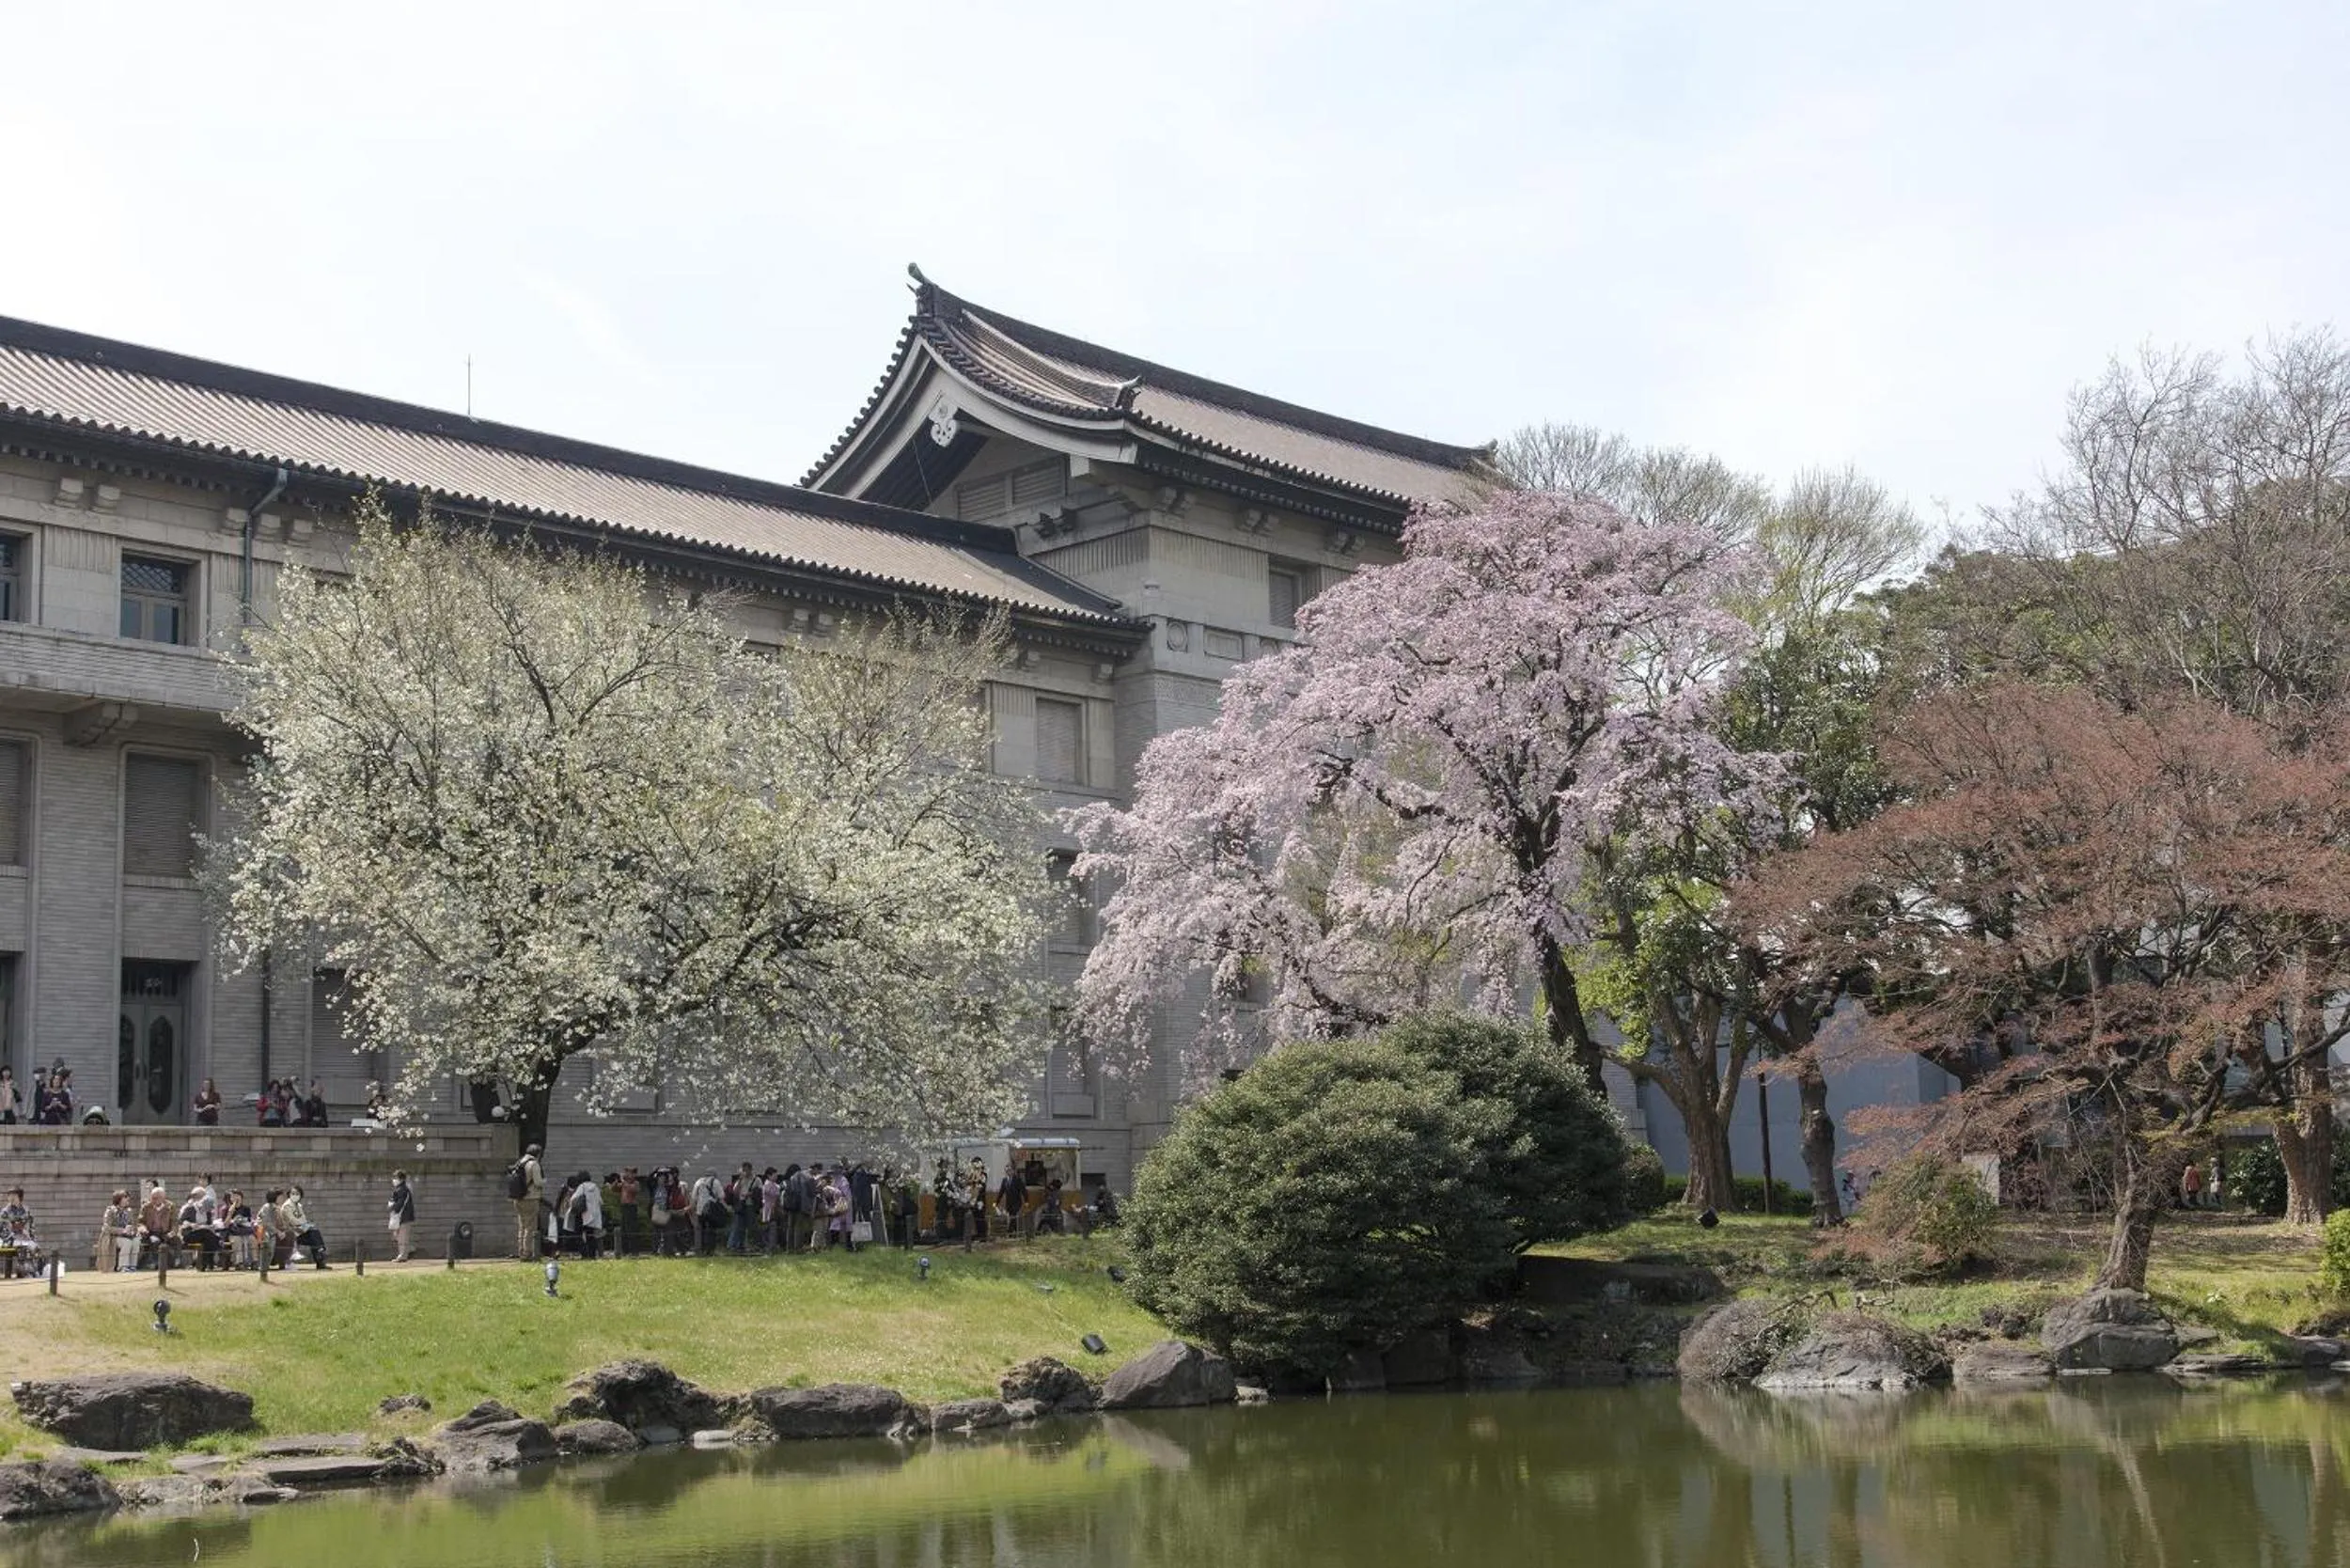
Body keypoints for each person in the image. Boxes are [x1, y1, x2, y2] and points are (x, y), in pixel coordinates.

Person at [283, 1184, 330, 1268]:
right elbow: (292, 1221)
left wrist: (306, 1225)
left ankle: (320, 1256)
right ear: (289, 1194)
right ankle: (321, 1255)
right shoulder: (287, 1206)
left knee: (314, 1233)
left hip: (300, 1230)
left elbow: (303, 1219)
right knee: (313, 1234)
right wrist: (306, 1226)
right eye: (293, 1193)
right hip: (291, 1231)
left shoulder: (298, 1206)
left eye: (297, 1194)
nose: (295, 1196)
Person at [511, 1142, 544, 1261]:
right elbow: (538, 1182)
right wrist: (544, 1181)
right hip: (530, 1198)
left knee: (522, 1226)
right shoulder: (533, 1164)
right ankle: (527, 1253)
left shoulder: (519, 1162)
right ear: (538, 1153)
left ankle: (521, 1251)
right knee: (530, 1227)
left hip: (517, 1198)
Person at [101, 1188, 138, 1271]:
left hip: (126, 1236)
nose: (127, 1199)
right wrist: (122, 1230)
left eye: (127, 1197)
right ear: (119, 1199)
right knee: (127, 1242)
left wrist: (131, 1231)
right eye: (125, 1197)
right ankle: (123, 1267)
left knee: (136, 1241)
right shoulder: (110, 1210)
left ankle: (132, 1266)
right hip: (112, 1237)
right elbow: (106, 1227)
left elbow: (133, 1225)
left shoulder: (129, 1211)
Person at [568, 1171, 603, 1258]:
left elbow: (573, 1199)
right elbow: (600, 1201)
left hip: (584, 1214)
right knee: (591, 1236)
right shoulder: (595, 1187)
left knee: (578, 1234)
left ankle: (584, 1254)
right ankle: (592, 1255)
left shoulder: (582, 1186)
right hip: (594, 1216)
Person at [387, 1169, 416, 1262]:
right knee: (397, 1236)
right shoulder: (400, 1189)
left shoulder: (403, 1190)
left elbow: (400, 1204)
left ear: (401, 1179)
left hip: (404, 1217)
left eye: (396, 1178)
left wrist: (392, 1207)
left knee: (402, 1237)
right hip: (401, 1217)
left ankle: (403, 1255)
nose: (394, 1180)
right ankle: (408, 1249)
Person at [222, 1189, 256, 1269]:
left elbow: (249, 1222)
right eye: (233, 1196)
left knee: (252, 1239)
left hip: (245, 1231)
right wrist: (230, 1214)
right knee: (237, 1240)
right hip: (233, 1233)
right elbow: (225, 1225)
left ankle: (255, 1261)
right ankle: (239, 1262)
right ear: (230, 1199)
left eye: (237, 1195)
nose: (236, 1198)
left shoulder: (246, 1209)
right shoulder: (226, 1209)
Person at [997, 1163, 1029, 1242]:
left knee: (1013, 1217)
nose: (1008, 1172)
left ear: (1013, 1171)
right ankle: (1013, 1233)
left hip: (1016, 1202)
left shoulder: (1017, 1180)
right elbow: (1001, 1192)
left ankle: (1010, 1232)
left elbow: (1024, 1191)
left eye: (1010, 1170)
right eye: (1007, 1170)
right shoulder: (1004, 1180)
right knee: (1012, 1217)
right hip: (1009, 1203)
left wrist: (1026, 1201)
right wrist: (996, 1202)